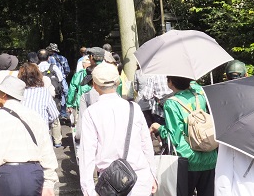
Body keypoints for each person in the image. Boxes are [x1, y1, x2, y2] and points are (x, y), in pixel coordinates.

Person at [78, 62, 157, 196]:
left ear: (95, 86)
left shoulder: (91, 113)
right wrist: (152, 174)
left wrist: (88, 190)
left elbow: (87, 154)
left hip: (111, 183)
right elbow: (146, 145)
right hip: (140, 178)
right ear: (119, 81)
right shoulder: (134, 108)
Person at [0, 76, 59, 196]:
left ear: (4, 95)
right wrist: (49, 182)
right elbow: (47, 150)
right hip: (33, 173)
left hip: (5, 175)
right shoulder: (35, 116)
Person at [150, 76, 217, 196]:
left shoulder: (171, 103)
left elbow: (174, 137)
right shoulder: (199, 96)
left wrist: (158, 128)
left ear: (170, 83)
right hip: (209, 156)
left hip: (188, 160)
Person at [215, 60, 253, 196]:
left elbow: (223, 170)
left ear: (226, 77)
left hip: (240, 188)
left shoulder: (223, 108)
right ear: (247, 75)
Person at [18, 62, 59, 126]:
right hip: (41, 130)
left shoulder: (17, 92)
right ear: (38, 75)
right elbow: (54, 115)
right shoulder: (44, 92)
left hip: (21, 130)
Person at [38, 48, 63, 147]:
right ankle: (57, 141)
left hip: (40, 96)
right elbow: (60, 79)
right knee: (55, 118)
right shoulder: (54, 67)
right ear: (48, 58)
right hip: (54, 96)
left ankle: (46, 140)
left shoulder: (36, 68)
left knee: (42, 117)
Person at [46, 43, 71, 119]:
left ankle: (53, 113)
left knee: (52, 95)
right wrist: (63, 76)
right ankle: (63, 113)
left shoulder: (48, 59)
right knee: (64, 94)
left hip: (50, 79)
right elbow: (67, 70)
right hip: (62, 79)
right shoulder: (63, 58)